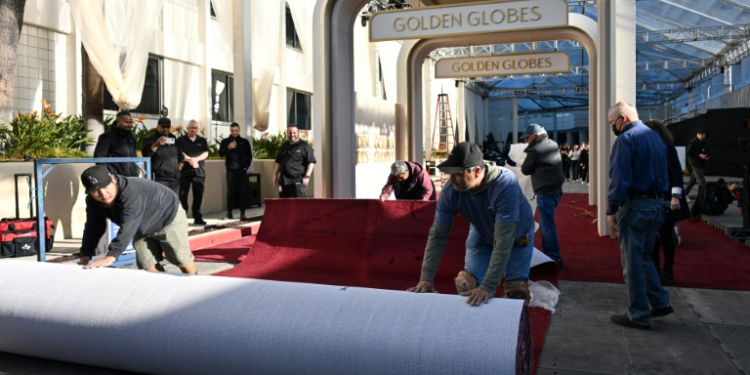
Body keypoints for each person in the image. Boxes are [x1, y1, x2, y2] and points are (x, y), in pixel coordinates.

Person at [407, 142, 535, 306]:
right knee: (466, 284)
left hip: (517, 236)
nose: (451, 178)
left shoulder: (505, 184)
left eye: (457, 173)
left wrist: (488, 287)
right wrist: (426, 279)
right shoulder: (451, 191)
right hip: (482, 233)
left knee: (516, 293)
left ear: (476, 171)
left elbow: (503, 240)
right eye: (449, 173)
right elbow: (437, 235)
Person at [607, 101, 673, 330]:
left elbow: (620, 179)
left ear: (622, 119)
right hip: (657, 206)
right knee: (644, 257)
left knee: (632, 263)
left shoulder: (625, 140)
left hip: (635, 207)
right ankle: (661, 302)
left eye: (612, 122)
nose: (613, 127)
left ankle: (638, 315)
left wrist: (611, 210)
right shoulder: (655, 137)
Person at [77, 165, 197, 274]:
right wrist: (85, 256)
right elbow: (93, 227)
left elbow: (129, 225)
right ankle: (162, 287)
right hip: (141, 225)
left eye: (105, 187)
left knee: (180, 257)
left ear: (113, 179)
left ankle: (194, 282)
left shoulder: (131, 192)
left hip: (166, 216)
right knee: (147, 264)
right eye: (95, 191)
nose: (103, 194)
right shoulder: (93, 201)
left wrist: (111, 257)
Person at [645, 120, 689, 286]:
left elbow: (677, 173)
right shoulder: (650, 149)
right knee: (654, 238)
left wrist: (675, 197)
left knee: (666, 237)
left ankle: (668, 272)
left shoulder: (668, 148)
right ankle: (656, 271)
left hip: (667, 199)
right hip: (653, 199)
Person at [520, 124, 565, 268]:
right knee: (547, 224)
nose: (527, 140)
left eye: (528, 137)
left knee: (547, 226)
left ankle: (554, 257)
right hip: (555, 190)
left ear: (536, 135)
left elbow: (526, 169)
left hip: (545, 191)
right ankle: (549, 253)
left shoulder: (536, 149)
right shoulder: (552, 143)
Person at [218, 122, 253, 220]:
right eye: (232, 131)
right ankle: (229, 212)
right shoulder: (225, 142)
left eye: (236, 131)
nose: (234, 132)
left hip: (241, 171)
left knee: (242, 191)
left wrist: (246, 167)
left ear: (239, 130)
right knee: (230, 192)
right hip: (231, 171)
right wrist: (228, 148)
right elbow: (220, 153)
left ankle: (243, 212)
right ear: (230, 130)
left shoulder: (244, 141)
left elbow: (249, 156)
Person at [177, 120, 209, 225]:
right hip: (185, 172)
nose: (193, 130)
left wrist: (196, 159)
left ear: (198, 129)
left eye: (195, 128)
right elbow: (180, 153)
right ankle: (182, 218)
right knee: (182, 196)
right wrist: (190, 160)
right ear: (188, 129)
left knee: (199, 196)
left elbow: (206, 153)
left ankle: (198, 217)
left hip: (199, 172)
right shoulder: (181, 140)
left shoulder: (202, 141)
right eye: (191, 128)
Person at [142, 117, 183, 196]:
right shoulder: (151, 139)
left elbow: (180, 154)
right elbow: (146, 155)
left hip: (174, 178)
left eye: (168, 127)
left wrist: (180, 165)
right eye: (163, 127)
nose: (166, 129)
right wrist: (156, 145)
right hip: (160, 179)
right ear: (158, 127)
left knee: (174, 202)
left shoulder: (173, 138)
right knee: (161, 202)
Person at [273, 126, 316, 198]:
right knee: (284, 206)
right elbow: (278, 162)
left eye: (294, 133)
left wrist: (307, 176)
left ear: (298, 133)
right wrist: (275, 175)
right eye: (290, 133)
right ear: (287, 133)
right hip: (283, 182)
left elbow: (311, 162)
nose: (292, 135)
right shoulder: (283, 146)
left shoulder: (304, 146)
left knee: (299, 206)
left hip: (297, 182)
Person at [94, 110, 140, 177]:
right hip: (116, 177)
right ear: (118, 121)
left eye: (130, 122)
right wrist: (109, 173)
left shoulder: (131, 137)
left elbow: (134, 155)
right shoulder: (107, 137)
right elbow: (99, 157)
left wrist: (136, 170)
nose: (129, 125)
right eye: (126, 122)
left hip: (132, 177)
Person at [684, 130, 709, 198]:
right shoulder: (693, 142)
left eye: (702, 135)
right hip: (694, 162)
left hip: (700, 163)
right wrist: (698, 155)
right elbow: (688, 153)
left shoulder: (704, 142)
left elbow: (705, 151)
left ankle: (683, 195)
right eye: (700, 134)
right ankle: (702, 197)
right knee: (702, 181)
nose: (701, 136)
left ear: (705, 135)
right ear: (697, 135)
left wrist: (705, 156)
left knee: (693, 180)